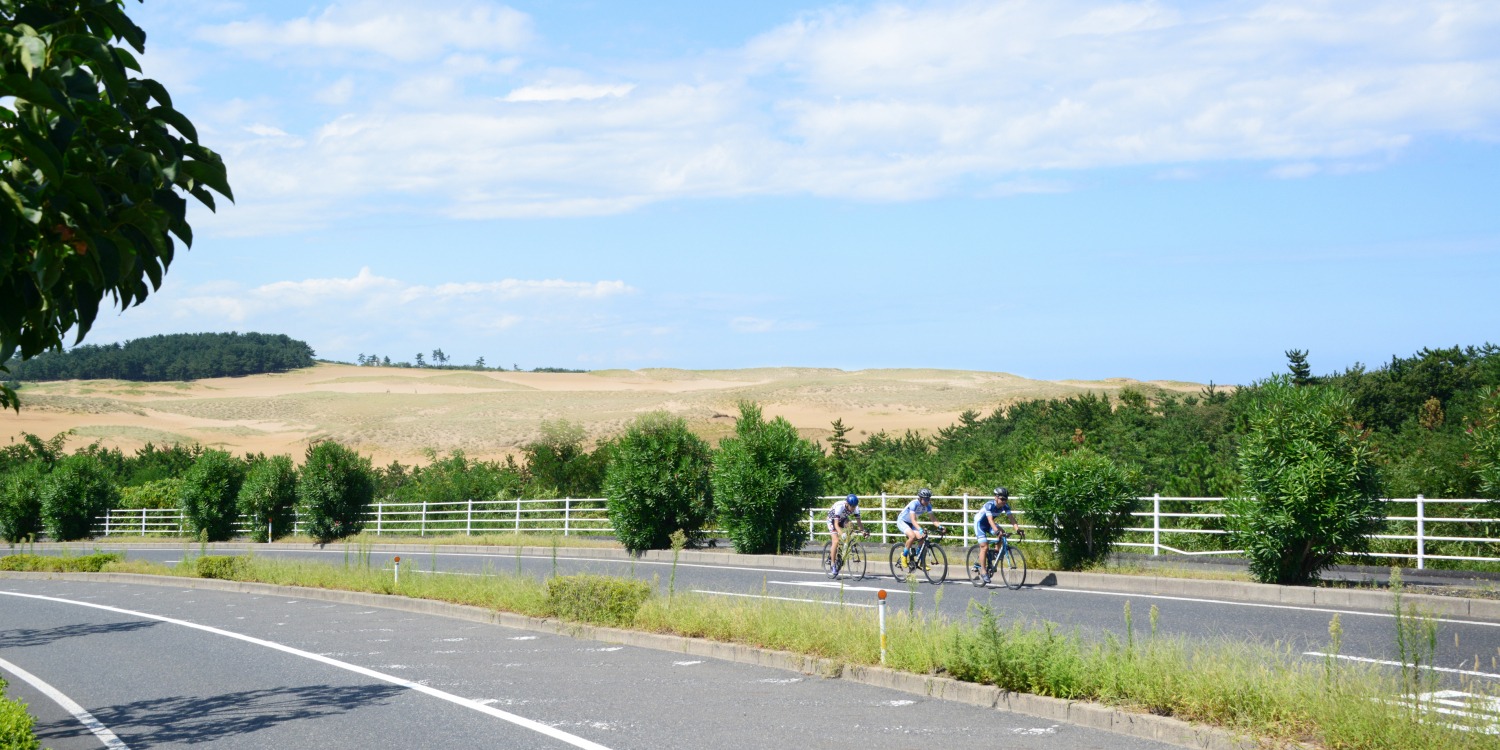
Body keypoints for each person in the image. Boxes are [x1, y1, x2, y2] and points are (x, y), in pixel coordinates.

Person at [974, 487, 1020, 584]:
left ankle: (995, 551)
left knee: (1002, 532)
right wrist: (996, 531)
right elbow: (990, 520)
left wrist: (1018, 529)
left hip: (989, 524)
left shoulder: (1005, 506)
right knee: (984, 546)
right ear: (996, 497)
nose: (1004, 501)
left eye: (1006, 499)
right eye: (1002, 499)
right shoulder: (989, 505)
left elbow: (1011, 518)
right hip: (980, 524)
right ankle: (983, 571)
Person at [896, 488, 943, 569]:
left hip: (911, 523)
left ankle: (920, 561)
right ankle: (904, 555)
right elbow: (913, 520)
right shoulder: (913, 504)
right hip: (902, 521)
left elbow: (933, 519)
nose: (927, 501)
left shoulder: (928, 506)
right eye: (926, 499)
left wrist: (940, 526)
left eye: (929, 499)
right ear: (921, 498)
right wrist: (920, 529)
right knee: (912, 536)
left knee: (922, 537)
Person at [826, 493, 867, 573]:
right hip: (832, 521)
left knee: (851, 525)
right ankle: (833, 565)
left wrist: (863, 531)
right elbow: (836, 524)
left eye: (854, 506)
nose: (853, 509)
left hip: (842, 519)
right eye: (852, 507)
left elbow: (859, 522)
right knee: (836, 541)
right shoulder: (840, 507)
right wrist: (842, 534)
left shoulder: (855, 507)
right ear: (847, 504)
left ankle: (844, 548)